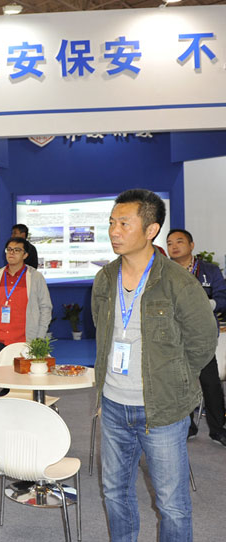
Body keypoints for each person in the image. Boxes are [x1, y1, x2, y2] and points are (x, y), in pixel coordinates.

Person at [92, 189, 217, 542]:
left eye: (124, 223)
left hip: (161, 409)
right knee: (115, 493)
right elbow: (103, 331)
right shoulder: (105, 279)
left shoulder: (179, 282)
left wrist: (175, 380)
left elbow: (203, 340)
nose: (114, 231)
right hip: (113, 405)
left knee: (172, 504)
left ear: (151, 230)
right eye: (112, 223)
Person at [166, 228, 226, 446]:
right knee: (179, 385)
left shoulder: (210, 270)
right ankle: (187, 427)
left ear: (191, 245)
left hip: (202, 338)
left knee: (211, 384)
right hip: (174, 338)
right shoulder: (164, 272)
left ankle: (218, 430)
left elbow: (223, 298)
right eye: (169, 243)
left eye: (179, 241)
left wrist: (207, 304)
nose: (174, 246)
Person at [0, 236, 52, 362]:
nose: (11, 253)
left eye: (17, 250)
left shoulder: (35, 277)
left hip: (26, 342)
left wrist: (39, 337)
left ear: (25, 255)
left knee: (25, 374)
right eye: (9, 249)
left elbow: (45, 308)